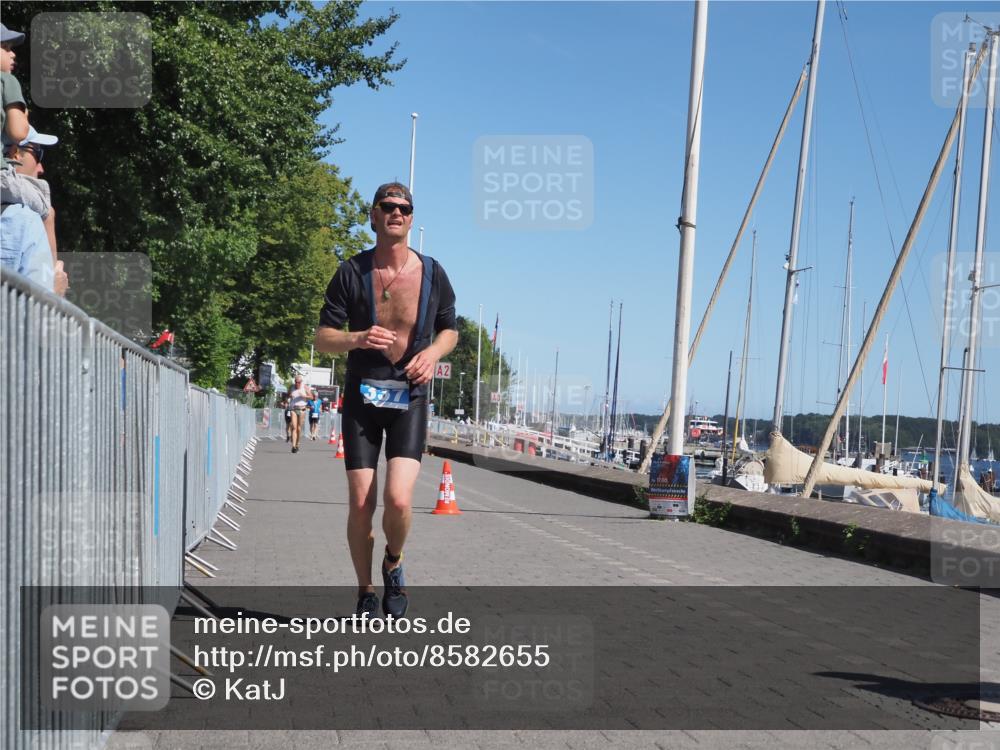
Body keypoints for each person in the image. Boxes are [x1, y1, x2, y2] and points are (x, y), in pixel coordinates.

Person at [315, 182, 458, 618]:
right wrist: (357, 337)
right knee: (361, 502)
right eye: (387, 206)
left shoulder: (433, 272)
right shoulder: (351, 272)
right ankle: (365, 590)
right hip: (362, 394)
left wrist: (433, 353)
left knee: (398, 499)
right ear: (374, 216)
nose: (396, 212)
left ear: (412, 219)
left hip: (410, 396)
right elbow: (323, 339)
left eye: (404, 207)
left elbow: (450, 329)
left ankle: (393, 562)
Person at [287, 375, 314, 453]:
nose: (297, 384)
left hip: (302, 409)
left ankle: (298, 444)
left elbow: (312, 397)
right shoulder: (292, 387)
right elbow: (287, 395)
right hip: (293, 409)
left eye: (298, 382)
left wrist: (304, 396)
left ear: (301, 382)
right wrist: (290, 395)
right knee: (294, 427)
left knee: (299, 428)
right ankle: (293, 446)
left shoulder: (305, 387)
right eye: (296, 382)